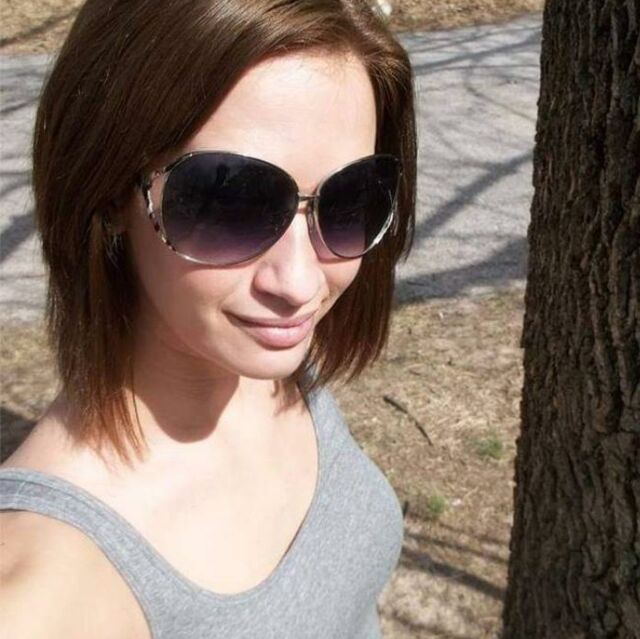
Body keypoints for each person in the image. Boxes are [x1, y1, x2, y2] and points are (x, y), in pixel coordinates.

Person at [0, 0, 417, 637]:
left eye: (350, 198)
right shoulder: (47, 589)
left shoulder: (260, 365)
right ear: (107, 195)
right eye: (230, 202)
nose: (301, 283)